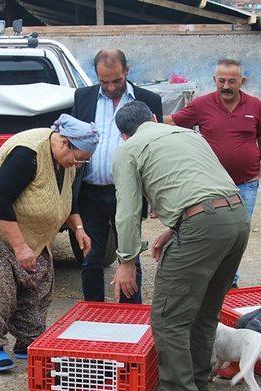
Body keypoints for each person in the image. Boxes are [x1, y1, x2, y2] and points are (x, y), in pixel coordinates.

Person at [110, 101, 250, 391]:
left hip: (201, 225)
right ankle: (197, 382)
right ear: (155, 119)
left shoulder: (129, 150)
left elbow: (128, 212)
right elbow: (204, 186)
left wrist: (127, 261)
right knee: (205, 309)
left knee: (167, 315)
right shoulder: (187, 135)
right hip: (237, 217)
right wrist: (173, 231)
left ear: (122, 134)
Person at [0, 114, 98, 372]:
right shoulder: (28, 154)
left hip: (30, 223)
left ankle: (27, 340)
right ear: (64, 142)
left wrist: (78, 228)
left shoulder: (67, 164)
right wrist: (20, 247)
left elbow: (67, 199)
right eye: (79, 158)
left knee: (39, 279)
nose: (79, 165)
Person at [165, 58, 261, 286]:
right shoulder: (202, 105)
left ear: (241, 81)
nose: (226, 86)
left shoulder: (254, 105)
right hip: (211, 184)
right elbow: (173, 122)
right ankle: (213, 278)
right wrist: (146, 120)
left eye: (232, 81)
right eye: (221, 80)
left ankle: (229, 280)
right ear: (214, 80)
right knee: (213, 232)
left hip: (245, 185)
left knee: (237, 234)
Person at [71, 49, 162, 303]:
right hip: (90, 192)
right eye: (104, 81)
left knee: (129, 256)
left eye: (117, 81)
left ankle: (130, 317)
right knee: (90, 257)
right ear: (96, 76)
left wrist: (153, 196)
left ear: (127, 71)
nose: (111, 87)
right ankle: (94, 314)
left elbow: (155, 148)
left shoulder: (148, 100)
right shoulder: (83, 97)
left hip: (129, 193)